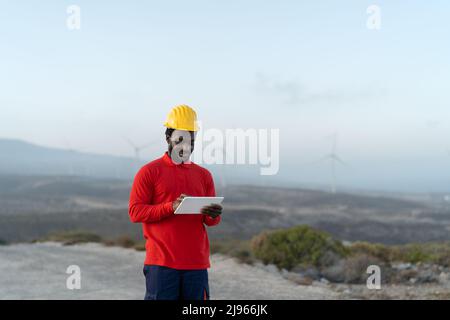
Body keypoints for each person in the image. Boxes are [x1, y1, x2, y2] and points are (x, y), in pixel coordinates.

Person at [128, 104, 223, 300]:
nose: (186, 146)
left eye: (191, 140)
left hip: (196, 264)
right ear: (167, 138)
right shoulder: (149, 172)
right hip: (161, 264)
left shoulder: (204, 175)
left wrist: (213, 215)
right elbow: (135, 212)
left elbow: (211, 222)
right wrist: (170, 207)